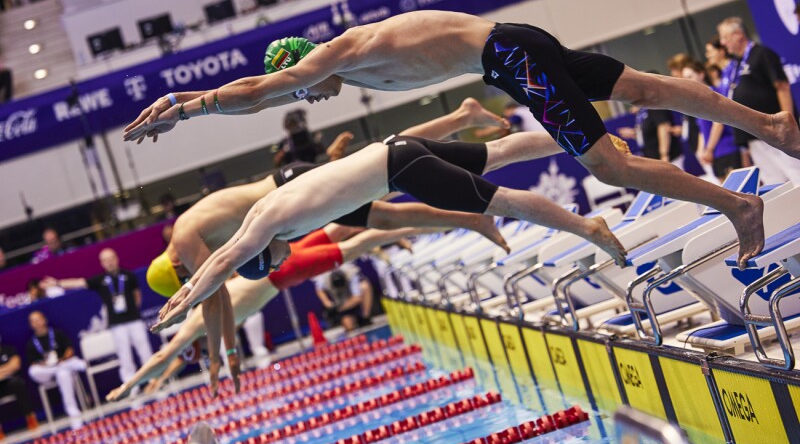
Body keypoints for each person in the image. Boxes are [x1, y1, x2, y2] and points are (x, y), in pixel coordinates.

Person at [124, 11, 800, 268]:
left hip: (511, 60)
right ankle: (771, 126)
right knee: (646, 90)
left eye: (301, 88)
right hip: (518, 40)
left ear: (297, 65)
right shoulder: (356, 53)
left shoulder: (332, 54)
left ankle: (737, 206)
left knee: (612, 168)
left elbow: (255, 92)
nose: (310, 97)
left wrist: (187, 108)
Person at [152, 129, 630, 334]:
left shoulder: (267, 227)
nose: (285, 258)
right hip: (397, 148)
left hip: (401, 170)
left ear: (263, 254)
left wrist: (185, 300)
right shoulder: (263, 214)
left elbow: (222, 262)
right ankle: (586, 139)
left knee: (502, 199)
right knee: (498, 151)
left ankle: (586, 226)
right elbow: (227, 257)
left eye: (277, 260)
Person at [107, 225, 431, 401]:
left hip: (280, 274)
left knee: (350, 247)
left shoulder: (198, 324)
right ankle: (392, 224)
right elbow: (168, 360)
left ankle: (396, 232)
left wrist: (128, 386)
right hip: (277, 267)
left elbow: (163, 358)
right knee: (337, 229)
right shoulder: (208, 298)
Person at [44, 249, 154, 395]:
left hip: (134, 320)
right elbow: (79, 282)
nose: (109, 262)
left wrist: (134, 310)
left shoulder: (128, 275)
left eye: (111, 258)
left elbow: (137, 296)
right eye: (106, 260)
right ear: (102, 263)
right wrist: (57, 283)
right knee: (124, 356)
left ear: (116, 258)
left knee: (145, 351)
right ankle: (131, 387)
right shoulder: (101, 280)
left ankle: (154, 380)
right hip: (116, 324)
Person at [717, 16, 800, 185]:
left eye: (725, 38)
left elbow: (782, 87)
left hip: (775, 130)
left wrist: (787, 122)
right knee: (774, 182)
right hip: (754, 134)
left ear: (739, 34)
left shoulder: (762, 54)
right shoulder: (736, 65)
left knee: (795, 172)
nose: (723, 43)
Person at [682, 60, 741, 182]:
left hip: (727, 149)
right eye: (685, 78)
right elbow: (702, 130)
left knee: (741, 189)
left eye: (690, 76)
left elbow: (718, 124)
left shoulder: (712, 93)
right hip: (716, 154)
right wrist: (701, 151)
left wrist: (709, 149)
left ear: (701, 74)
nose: (687, 81)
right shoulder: (697, 101)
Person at [26, 311, 86, 429]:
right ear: (31, 324)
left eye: (39, 319)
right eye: (34, 321)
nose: (37, 323)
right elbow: (33, 362)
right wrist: (44, 364)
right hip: (47, 371)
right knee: (33, 371)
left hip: (62, 364)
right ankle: (64, 367)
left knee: (64, 373)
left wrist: (63, 359)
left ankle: (71, 408)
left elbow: (69, 349)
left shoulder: (57, 333)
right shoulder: (31, 343)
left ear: (44, 319)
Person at [0, 335, 38, 438]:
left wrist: (2, 372)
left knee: (18, 384)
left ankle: (30, 418)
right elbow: (10, 367)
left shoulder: (9, 349)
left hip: (10, 382)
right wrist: (7, 369)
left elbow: (15, 365)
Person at [314, 263, 371, 331]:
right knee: (348, 325)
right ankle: (344, 320)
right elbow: (319, 290)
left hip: (351, 300)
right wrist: (327, 302)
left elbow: (357, 297)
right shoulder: (323, 277)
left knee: (364, 286)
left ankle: (364, 318)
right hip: (339, 300)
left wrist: (338, 309)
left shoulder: (351, 273)